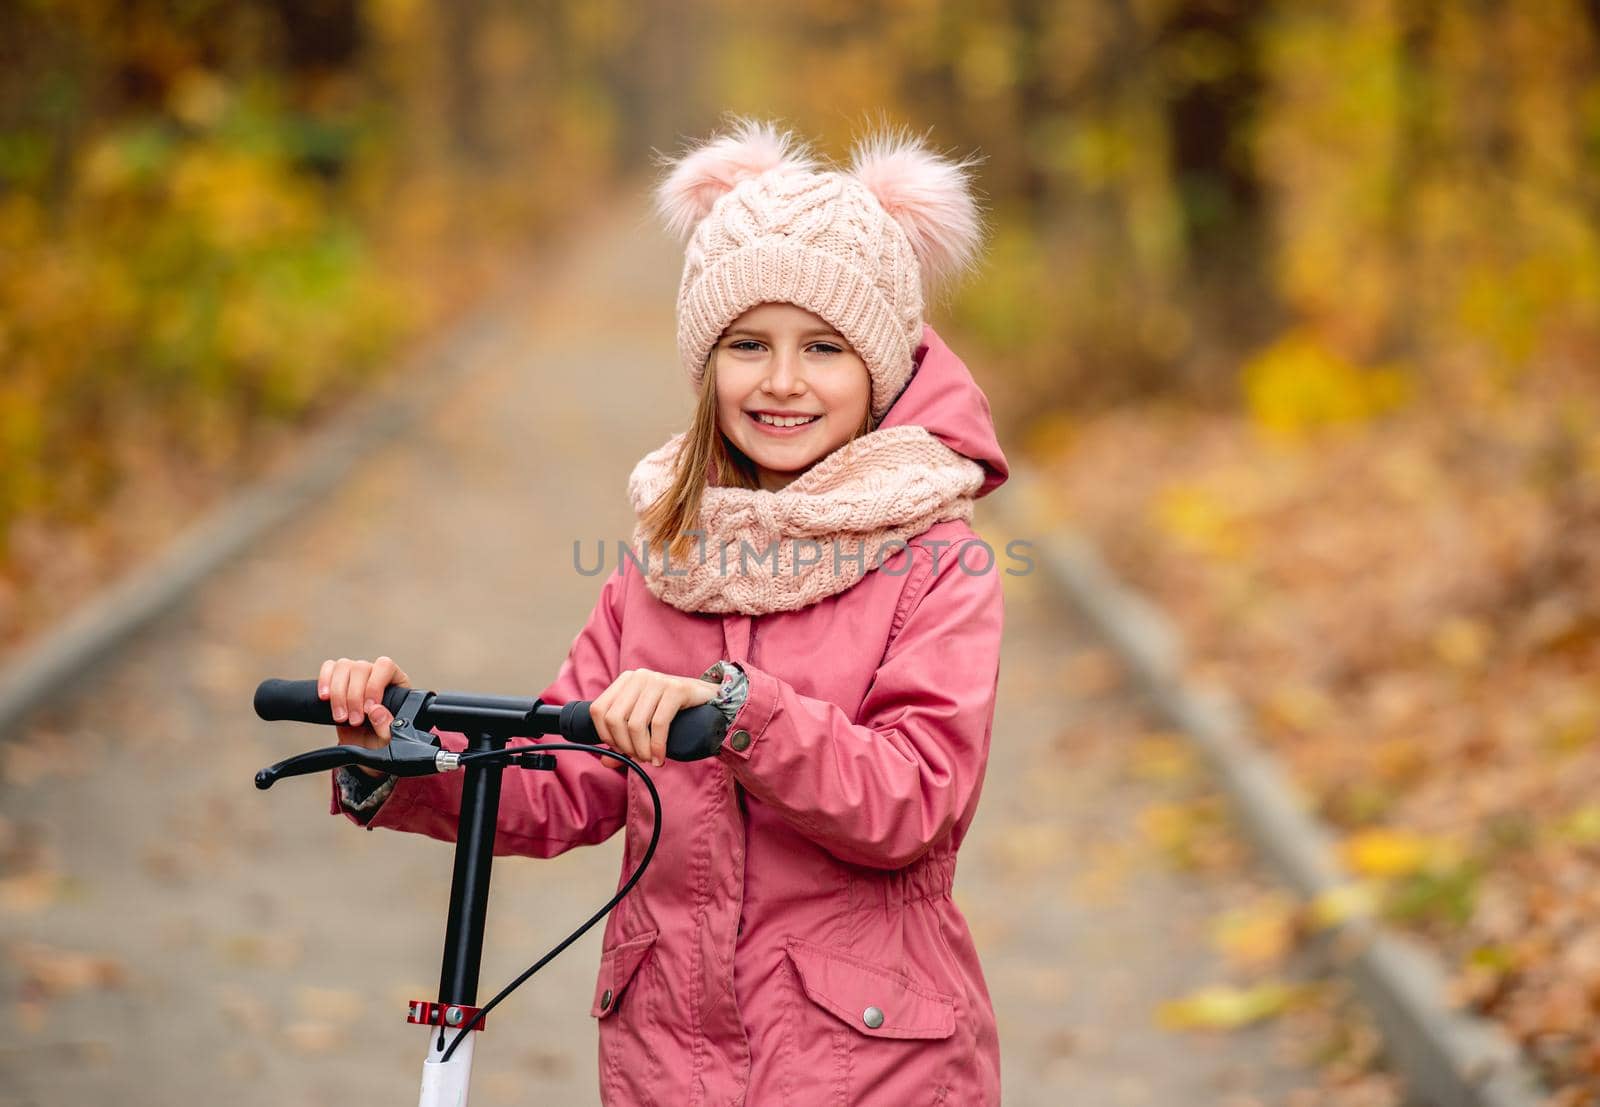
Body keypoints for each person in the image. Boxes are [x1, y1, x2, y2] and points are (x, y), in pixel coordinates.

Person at [320, 114, 1010, 1105]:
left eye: (822, 346)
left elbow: (912, 799)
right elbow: (563, 778)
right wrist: (397, 757)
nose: (781, 381)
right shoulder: (665, 559)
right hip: (667, 1058)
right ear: (705, 364)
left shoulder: (936, 561)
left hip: (868, 1064)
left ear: (881, 369)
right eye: (746, 344)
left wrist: (739, 712)